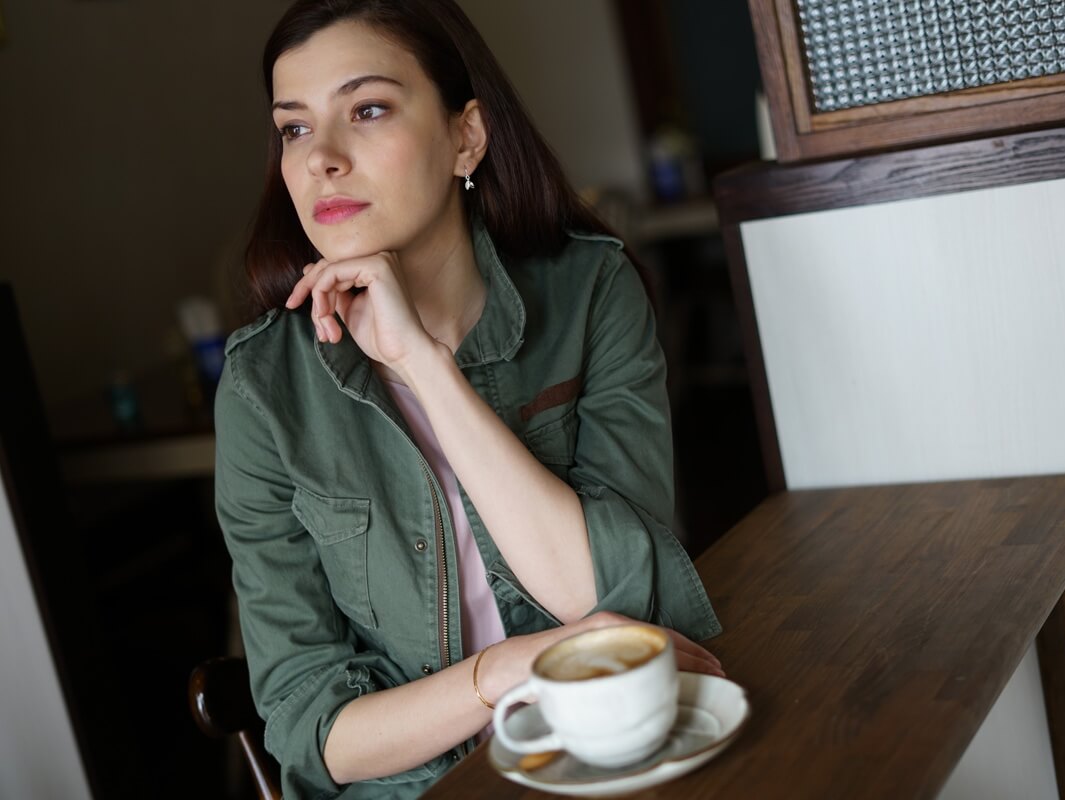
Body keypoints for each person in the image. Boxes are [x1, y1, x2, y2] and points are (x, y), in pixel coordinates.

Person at [214, 1, 723, 797]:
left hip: (604, 747)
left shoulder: (591, 291)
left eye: (369, 109)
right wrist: (507, 670)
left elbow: (619, 598)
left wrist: (423, 364)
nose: (323, 159)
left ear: (466, 137)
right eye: (295, 128)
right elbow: (314, 735)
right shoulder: (261, 390)